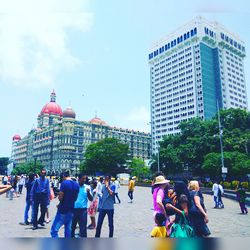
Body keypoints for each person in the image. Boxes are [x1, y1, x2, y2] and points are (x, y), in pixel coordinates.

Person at [50, 171, 79, 238]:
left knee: (54, 230)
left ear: (63, 176)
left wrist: (60, 201)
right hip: (71, 209)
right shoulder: (76, 184)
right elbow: (76, 198)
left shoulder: (64, 183)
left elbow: (60, 197)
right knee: (68, 231)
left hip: (62, 210)